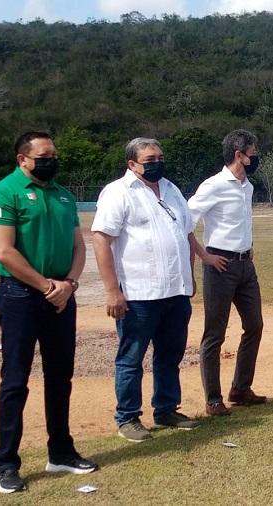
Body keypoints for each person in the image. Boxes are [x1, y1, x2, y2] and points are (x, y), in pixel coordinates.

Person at [0, 132, 97, 494]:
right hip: (21, 297)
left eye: (54, 155)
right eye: (43, 155)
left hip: (62, 296)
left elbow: (80, 246)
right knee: (15, 381)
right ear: (22, 159)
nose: (51, 160)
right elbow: (3, 252)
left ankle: (60, 451)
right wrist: (47, 286)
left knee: (60, 377)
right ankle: (7, 463)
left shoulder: (63, 194)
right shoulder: (4, 193)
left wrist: (69, 285)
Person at [91, 138, 201, 443]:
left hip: (175, 292)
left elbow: (186, 233)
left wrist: (188, 278)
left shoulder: (172, 189)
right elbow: (101, 239)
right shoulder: (117, 192)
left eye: (160, 157)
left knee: (170, 354)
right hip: (139, 294)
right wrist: (113, 291)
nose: (157, 163)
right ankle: (127, 417)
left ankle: (165, 409)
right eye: (150, 159)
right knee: (131, 357)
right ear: (132, 164)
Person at [188, 129, 267, 415]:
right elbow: (186, 221)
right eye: (253, 152)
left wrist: (248, 246)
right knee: (215, 333)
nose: (256, 157)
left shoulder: (248, 186)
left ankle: (240, 389)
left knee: (255, 325)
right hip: (220, 267)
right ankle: (213, 399)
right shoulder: (214, 185)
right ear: (239, 155)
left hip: (246, 265)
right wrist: (205, 256)